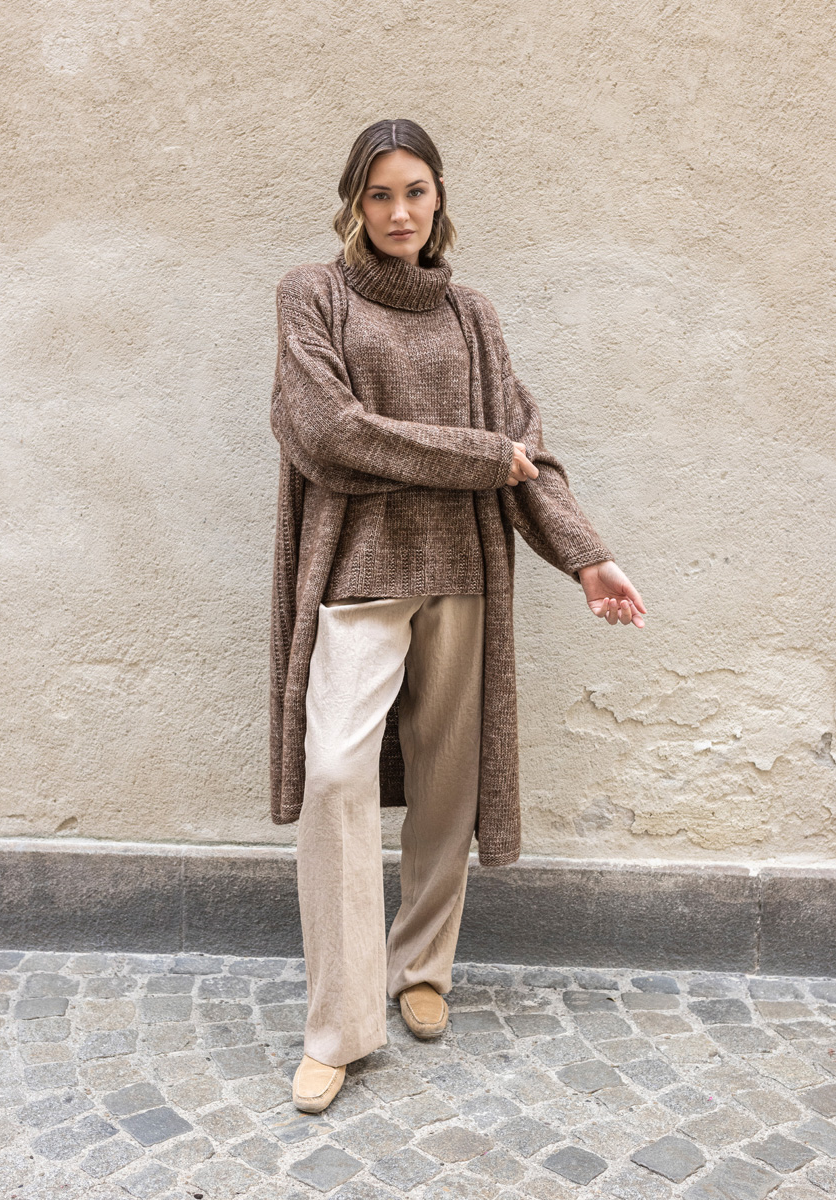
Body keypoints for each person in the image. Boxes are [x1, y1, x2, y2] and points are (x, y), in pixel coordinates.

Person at [268, 118, 646, 1114]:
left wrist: (586, 556)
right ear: (353, 201)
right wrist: (475, 456)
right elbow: (328, 432)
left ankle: (421, 966)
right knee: (336, 775)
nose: (399, 213)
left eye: (416, 192)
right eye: (380, 194)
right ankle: (337, 1025)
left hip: (466, 572)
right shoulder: (313, 295)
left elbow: (525, 451)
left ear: (438, 199)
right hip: (359, 571)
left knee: (446, 783)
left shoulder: (471, 314)